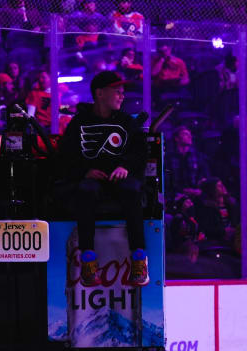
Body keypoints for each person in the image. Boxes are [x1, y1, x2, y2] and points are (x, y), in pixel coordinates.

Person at [59, 70, 148, 287]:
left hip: (121, 179)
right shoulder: (79, 122)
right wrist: (84, 171)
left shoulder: (127, 121)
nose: (122, 96)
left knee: (131, 190)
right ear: (99, 94)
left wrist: (125, 166)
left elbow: (141, 151)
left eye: (122, 92)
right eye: (116, 91)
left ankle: (139, 258)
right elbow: (65, 155)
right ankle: (88, 259)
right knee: (86, 191)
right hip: (92, 179)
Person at [165, 125, 209, 203]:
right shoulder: (169, 157)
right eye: (185, 134)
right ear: (177, 138)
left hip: (196, 195)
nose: (190, 137)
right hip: (175, 195)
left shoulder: (198, 156)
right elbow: (167, 179)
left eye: (190, 134)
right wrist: (181, 190)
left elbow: (204, 175)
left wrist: (199, 189)